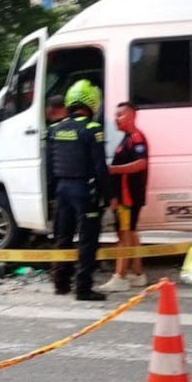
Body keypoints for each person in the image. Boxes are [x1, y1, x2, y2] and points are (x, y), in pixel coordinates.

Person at [47, 79, 115, 301]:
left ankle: (61, 283)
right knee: (87, 240)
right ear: (92, 103)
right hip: (84, 190)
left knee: (62, 237)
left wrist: (51, 194)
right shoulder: (92, 129)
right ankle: (83, 288)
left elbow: (49, 167)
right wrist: (110, 195)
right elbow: (100, 168)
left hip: (61, 190)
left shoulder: (55, 129)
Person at [98, 102, 150, 292]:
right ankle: (137, 274)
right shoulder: (126, 139)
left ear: (132, 116)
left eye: (120, 114)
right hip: (126, 194)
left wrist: (113, 169)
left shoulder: (136, 138)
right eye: (115, 115)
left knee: (124, 234)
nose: (115, 118)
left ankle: (119, 276)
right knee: (131, 232)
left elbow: (141, 163)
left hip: (129, 196)